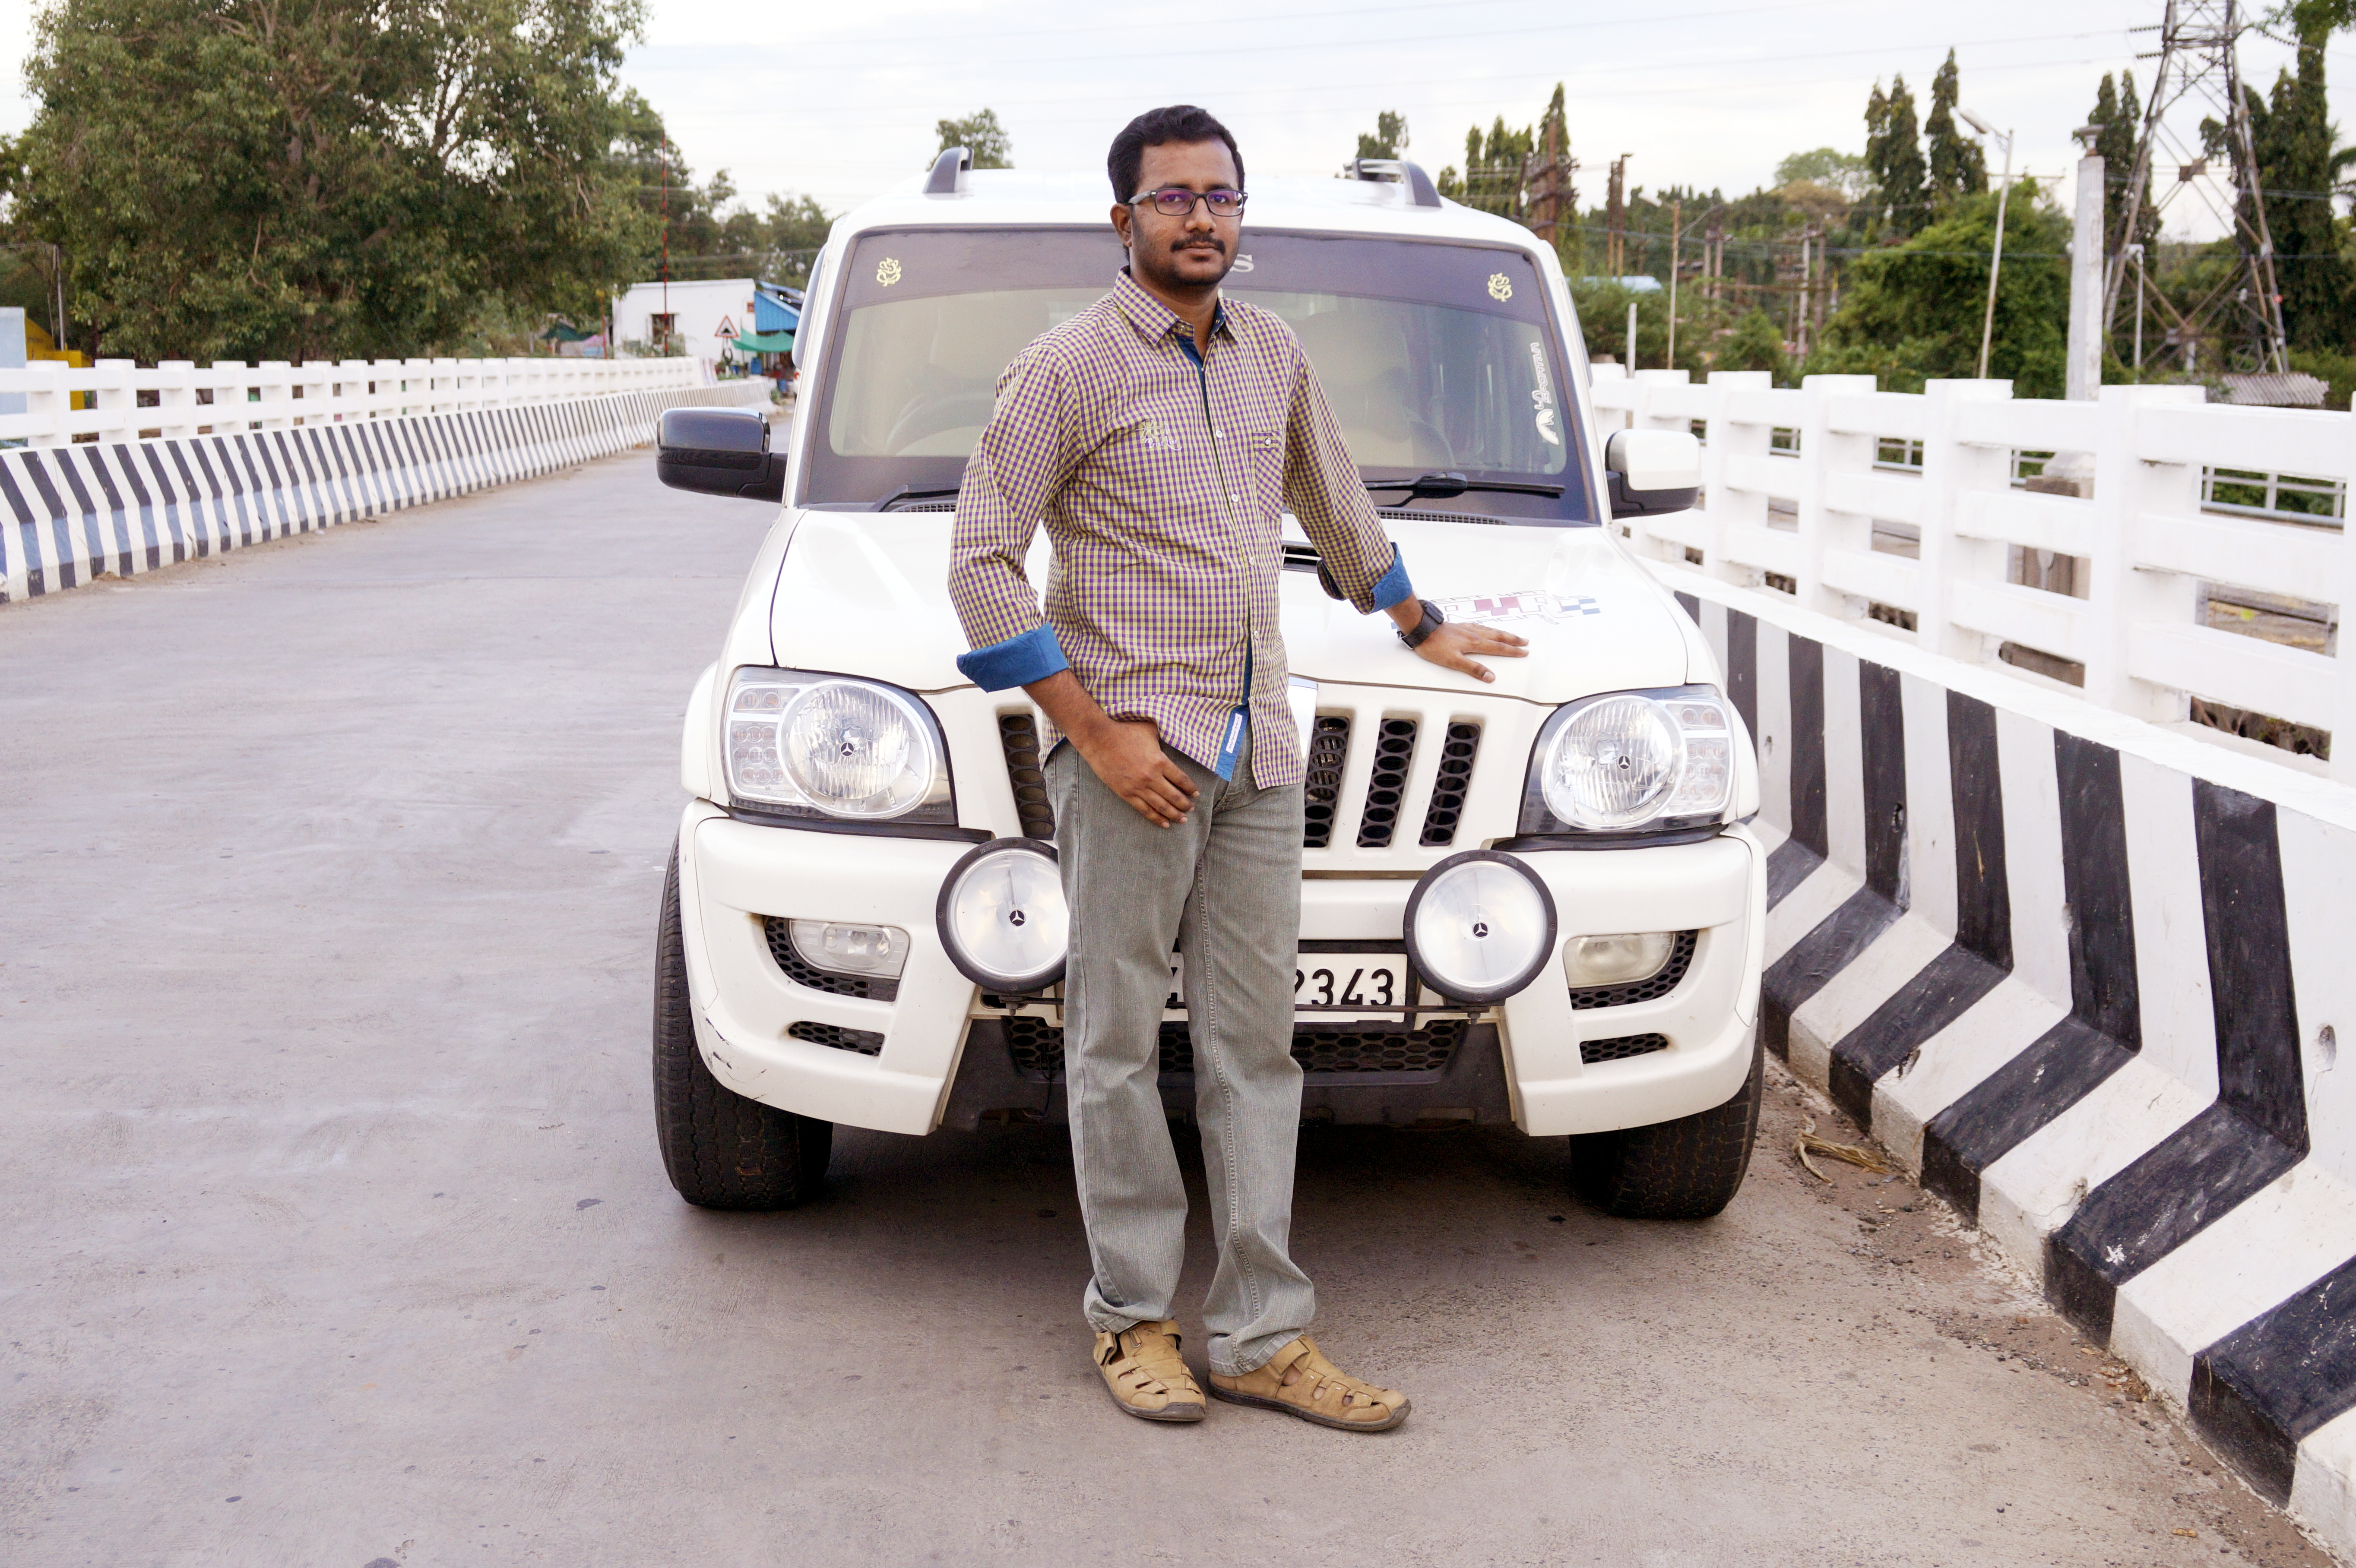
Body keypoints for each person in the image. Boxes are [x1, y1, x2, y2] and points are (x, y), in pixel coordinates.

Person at [947, 104, 1526, 1431]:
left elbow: (1334, 500)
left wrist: (1417, 621)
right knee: (1111, 1044)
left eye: (1220, 195)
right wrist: (1094, 733)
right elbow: (980, 563)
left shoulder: (1273, 353)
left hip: (1259, 753)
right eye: (1173, 197)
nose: (1201, 217)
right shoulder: (1065, 370)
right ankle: (1130, 1314)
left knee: (1258, 1051)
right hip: (1133, 761)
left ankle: (1262, 1333)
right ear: (1123, 221)